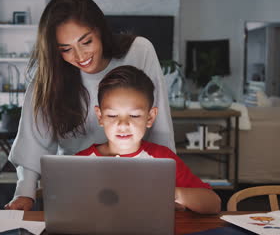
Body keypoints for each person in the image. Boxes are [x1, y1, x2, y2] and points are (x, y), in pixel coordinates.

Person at [5, 0, 175, 210]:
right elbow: (34, 140)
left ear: (100, 30)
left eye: (86, 42)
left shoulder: (139, 51)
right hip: (74, 187)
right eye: (66, 49)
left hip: (137, 182)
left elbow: (160, 127)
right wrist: (25, 194)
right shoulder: (50, 75)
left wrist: (168, 184)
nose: (80, 56)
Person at [76, 65, 221, 214]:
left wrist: (174, 194)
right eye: (112, 116)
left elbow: (213, 203)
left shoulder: (162, 158)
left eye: (134, 116)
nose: (123, 125)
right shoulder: (80, 162)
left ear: (150, 117)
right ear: (100, 116)